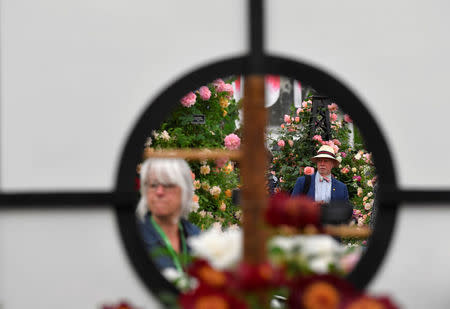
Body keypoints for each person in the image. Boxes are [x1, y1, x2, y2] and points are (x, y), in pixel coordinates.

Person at [136, 158, 200, 273]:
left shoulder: (197, 236)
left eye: (168, 184)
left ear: (185, 190)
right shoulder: (134, 237)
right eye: (153, 185)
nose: (159, 192)